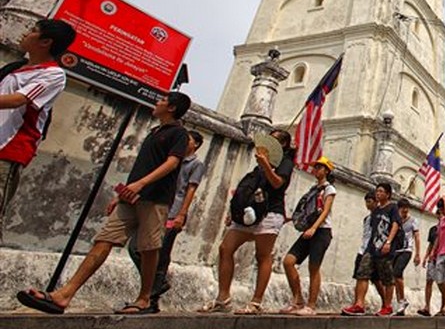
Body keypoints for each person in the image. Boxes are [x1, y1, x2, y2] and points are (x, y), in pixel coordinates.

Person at [17, 92, 191, 315]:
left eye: (163, 101)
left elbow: (172, 164)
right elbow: (143, 166)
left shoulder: (178, 134)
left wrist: (141, 184)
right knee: (104, 240)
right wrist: (123, 194)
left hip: (155, 198)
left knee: (148, 249)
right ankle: (65, 294)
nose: (157, 102)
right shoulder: (154, 132)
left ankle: (145, 298)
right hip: (131, 197)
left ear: (172, 108)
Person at [198, 128, 294, 315]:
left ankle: (256, 301)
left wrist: (266, 164)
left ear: (282, 145)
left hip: (269, 213)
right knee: (225, 248)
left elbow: (277, 184)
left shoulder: (285, 163)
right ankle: (223, 297)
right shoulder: (257, 167)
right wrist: (234, 212)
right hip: (247, 214)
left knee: (263, 256)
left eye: (273, 141)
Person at [0, 19, 77, 224]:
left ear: (45, 42)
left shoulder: (53, 75)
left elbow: (19, 100)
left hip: (8, 149)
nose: (26, 33)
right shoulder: (15, 68)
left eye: (33, 30)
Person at [127, 130, 205, 311]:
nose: (184, 143)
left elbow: (190, 190)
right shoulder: (172, 159)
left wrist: (181, 214)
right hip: (159, 206)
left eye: (189, 140)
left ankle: (152, 298)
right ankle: (156, 285)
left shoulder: (195, 165)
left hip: (174, 212)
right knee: (136, 248)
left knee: (161, 254)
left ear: (196, 145)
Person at [280, 156, 336, 316]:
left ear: (326, 170)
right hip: (309, 230)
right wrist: (291, 218)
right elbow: (307, 210)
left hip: (321, 231)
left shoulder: (329, 189)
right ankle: (297, 300)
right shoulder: (313, 190)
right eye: (315, 167)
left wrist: (314, 228)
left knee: (314, 267)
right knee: (289, 261)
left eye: (319, 167)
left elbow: (325, 211)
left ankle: (311, 306)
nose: (315, 170)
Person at [342, 181, 402, 316]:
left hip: (385, 248)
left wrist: (388, 242)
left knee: (387, 278)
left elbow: (395, 224)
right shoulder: (375, 212)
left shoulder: (392, 208)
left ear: (388, 194)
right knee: (362, 273)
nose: (378, 193)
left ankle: (387, 306)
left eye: (381, 191)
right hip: (371, 249)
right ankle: (359, 304)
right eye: (377, 191)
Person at [392, 197, 421, 316]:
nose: (404, 212)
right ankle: (400, 303)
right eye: (402, 209)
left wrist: (418, 254)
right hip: (395, 250)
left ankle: (402, 299)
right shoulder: (395, 220)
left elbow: (417, 237)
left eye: (406, 209)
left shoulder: (413, 221)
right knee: (394, 277)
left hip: (406, 250)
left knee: (397, 272)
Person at [416, 223, 439, 316]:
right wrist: (426, 256)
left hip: (441, 256)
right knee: (429, 281)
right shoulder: (433, 229)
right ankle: (427, 306)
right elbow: (431, 244)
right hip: (432, 258)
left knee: (442, 283)